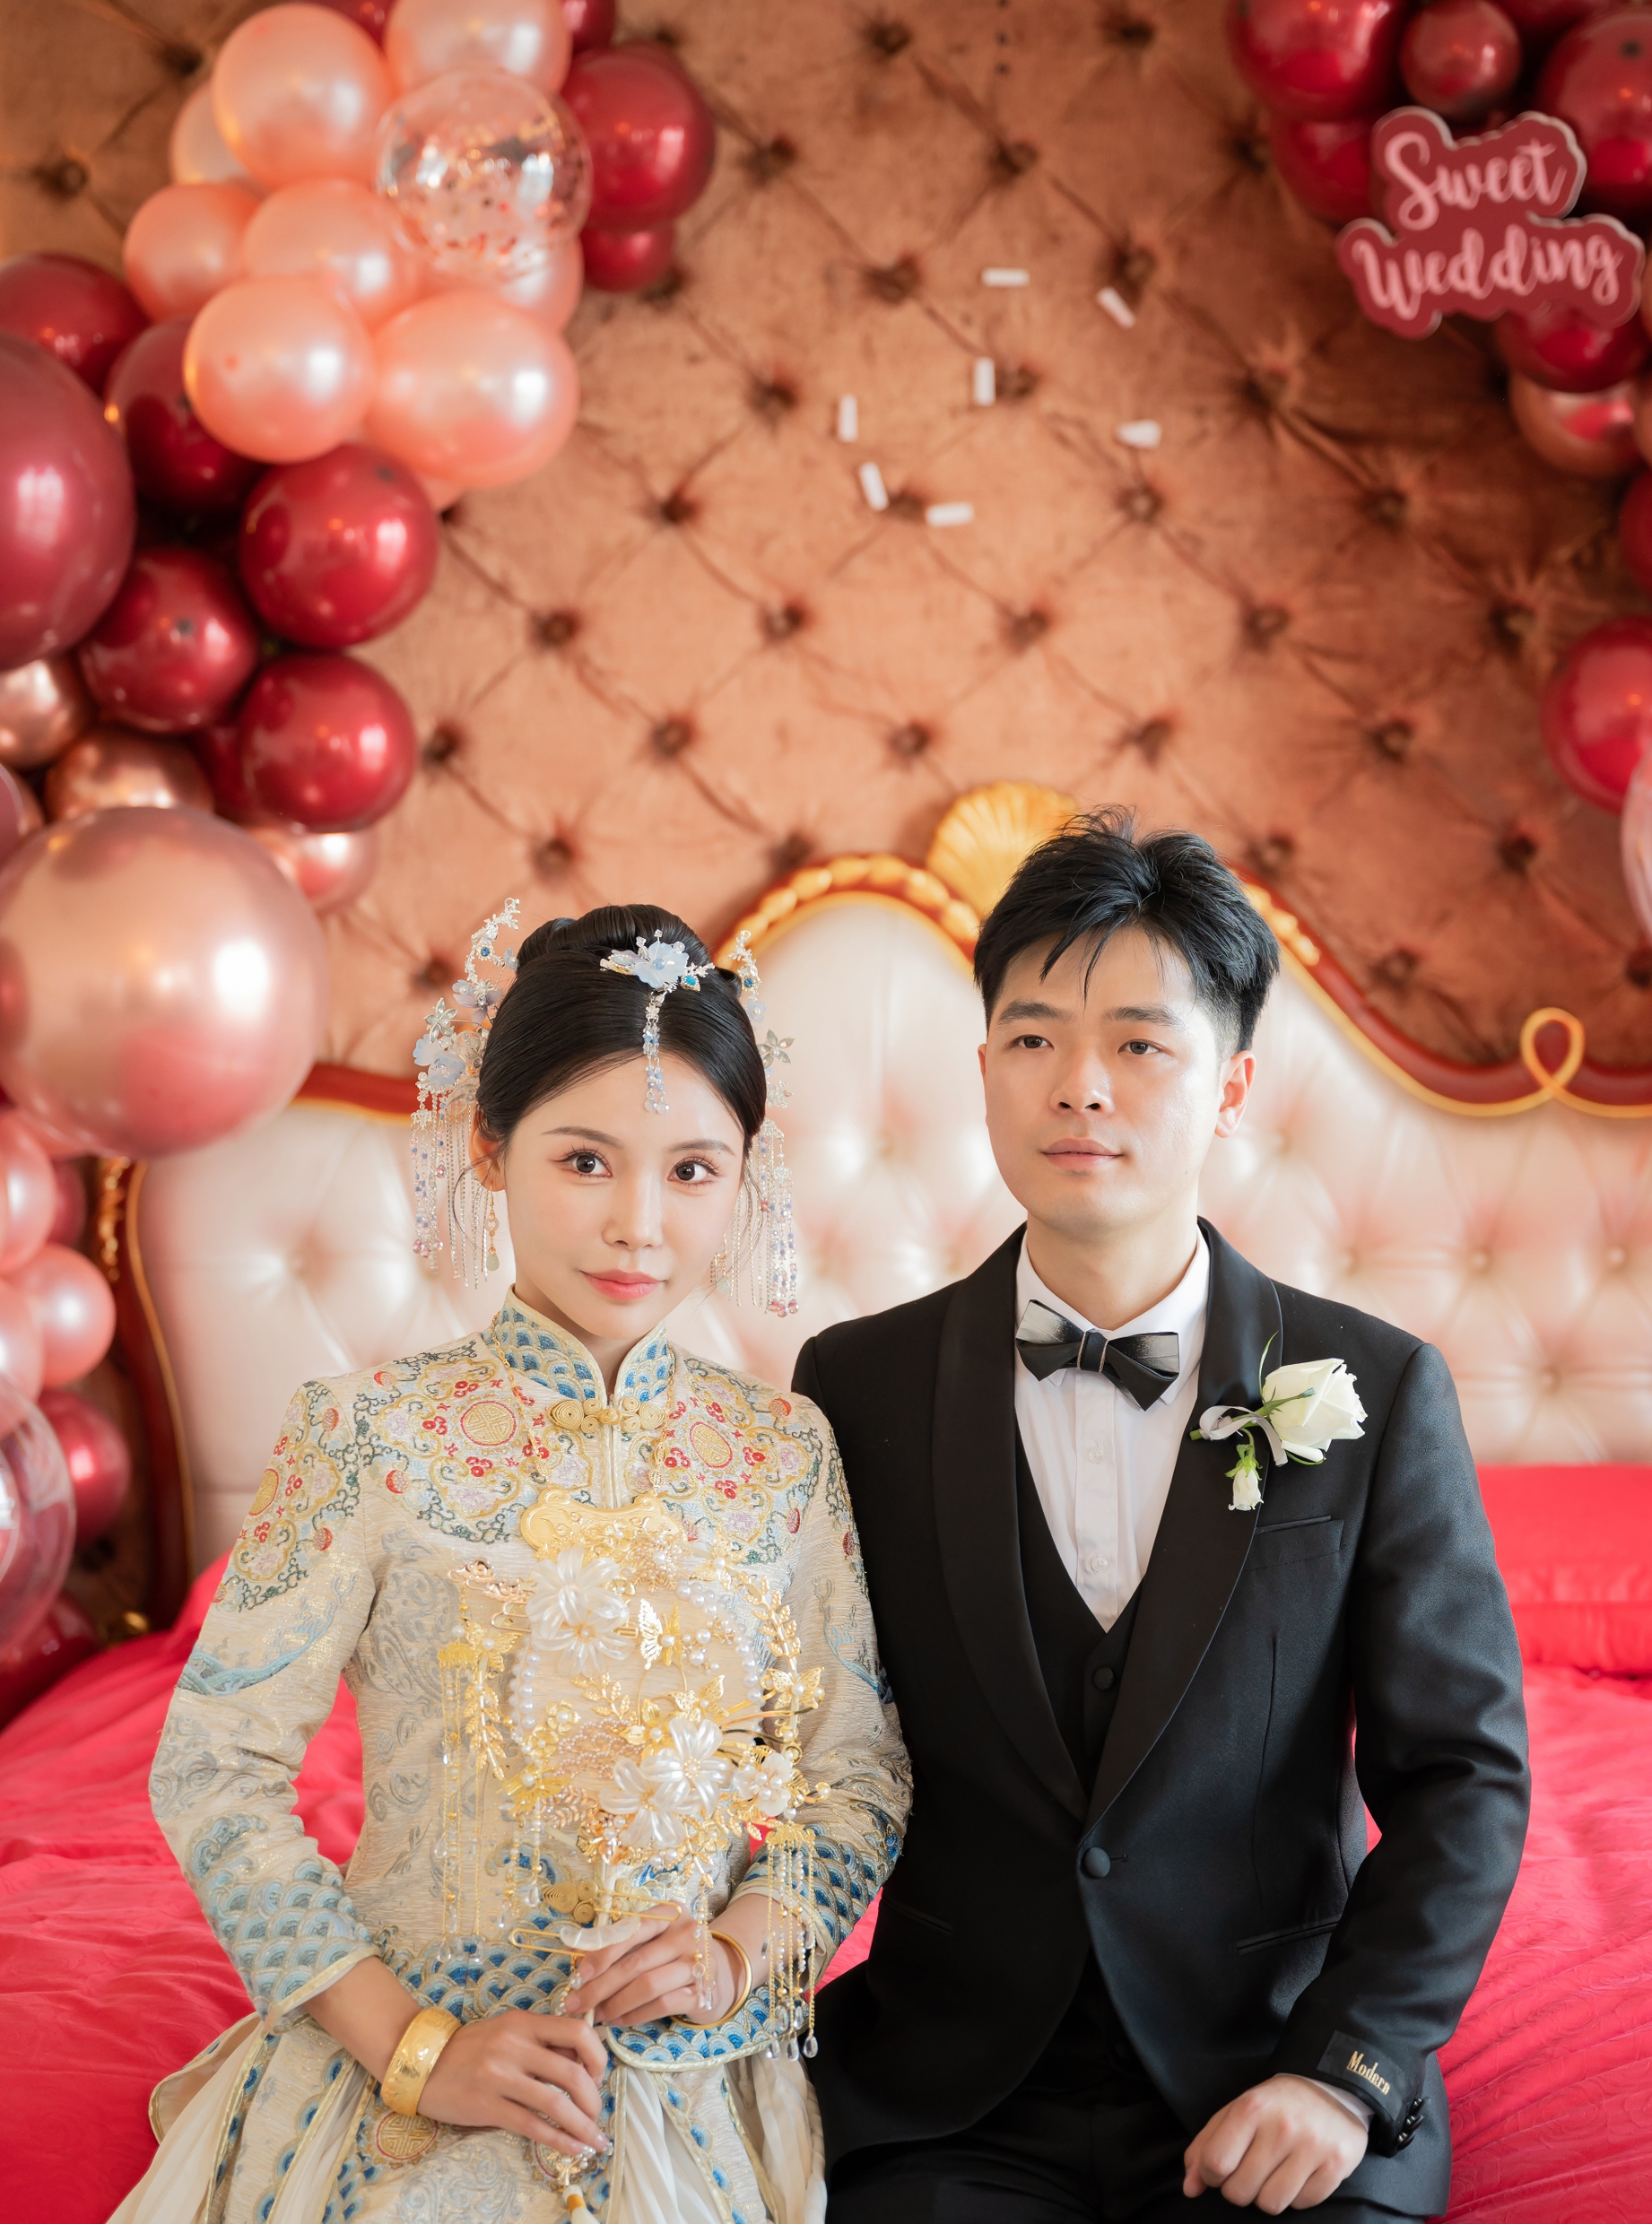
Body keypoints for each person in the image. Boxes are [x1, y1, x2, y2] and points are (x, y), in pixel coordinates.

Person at [115, 904, 909, 2224]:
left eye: (693, 1171)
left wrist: (733, 1955)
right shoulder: (366, 1434)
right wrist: (415, 2050)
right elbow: (214, 1768)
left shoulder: (782, 1451)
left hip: (697, 2076)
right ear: (489, 1147)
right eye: (586, 1161)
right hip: (413, 2059)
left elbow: (858, 1777)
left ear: (745, 1179)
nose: (638, 1226)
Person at [795, 813, 1530, 2222]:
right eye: (1034, 1038)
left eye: (1141, 1043)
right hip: (956, 2096)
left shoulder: (1376, 1388)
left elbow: (1464, 1777)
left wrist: (1346, 2073)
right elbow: (795, 1745)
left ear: (1232, 1086)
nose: (1082, 1086)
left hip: (1275, 2071)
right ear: (985, 1070)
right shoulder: (853, 1385)